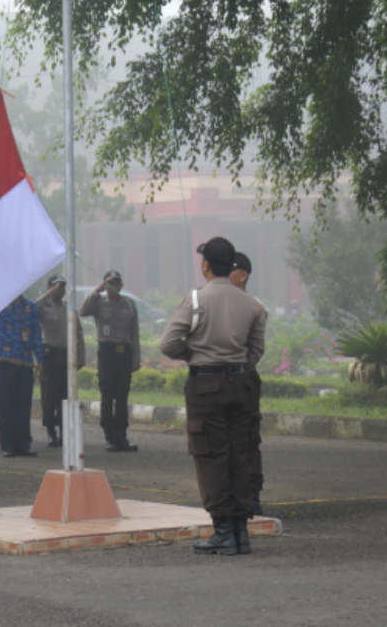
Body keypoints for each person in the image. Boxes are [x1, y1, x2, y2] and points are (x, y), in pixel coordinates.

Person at [159, 237, 267, 555]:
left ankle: (222, 530)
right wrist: (235, 363)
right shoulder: (252, 304)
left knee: (211, 456)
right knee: (240, 453)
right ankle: (241, 531)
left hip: (206, 387)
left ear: (205, 265)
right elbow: (256, 350)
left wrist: (195, 351)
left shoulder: (195, 300)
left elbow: (168, 344)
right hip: (241, 385)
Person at [79, 270, 141, 452]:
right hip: (107, 354)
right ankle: (109, 436)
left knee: (122, 395)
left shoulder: (129, 304)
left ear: (121, 285)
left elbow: (135, 334)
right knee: (107, 394)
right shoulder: (98, 303)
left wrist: (136, 359)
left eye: (116, 282)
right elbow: (82, 311)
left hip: (125, 354)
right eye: (110, 282)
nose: (114, 285)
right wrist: (98, 290)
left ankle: (122, 435)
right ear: (105, 285)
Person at [230, 251, 267, 517]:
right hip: (220, 378)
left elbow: (255, 351)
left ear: (242, 275)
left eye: (229, 269)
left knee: (248, 438)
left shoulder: (255, 306)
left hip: (244, 378)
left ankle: (252, 496)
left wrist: (239, 368)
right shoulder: (209, 301)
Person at [0, 294, 43, 458]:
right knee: (5, 404)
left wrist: (40, 360)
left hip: (25, 361)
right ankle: (7, 444)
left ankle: (23, 444)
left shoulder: (31, 307)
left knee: (23, 405)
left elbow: (36, 334)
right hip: (4, 361)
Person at [35, 275, 86, 447]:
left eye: (63, 287)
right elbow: (34, 307)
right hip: (50, 356)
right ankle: (51, 432)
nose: (62, 291)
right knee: (49, 395)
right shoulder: (44, 307)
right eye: (58, 287)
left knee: (66, 395)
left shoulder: (68, 308)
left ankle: (65, 431)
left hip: (66, 357)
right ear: (50, 288)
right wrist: (47, 294)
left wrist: (80, 357)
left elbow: (79, 333)